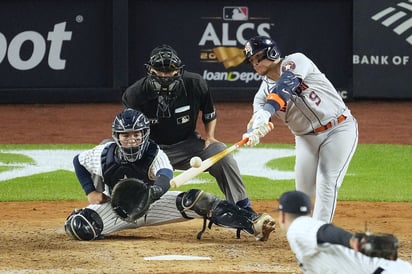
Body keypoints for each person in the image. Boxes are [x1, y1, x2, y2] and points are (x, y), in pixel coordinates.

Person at [64, 108, 276, 241]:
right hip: (117, 210)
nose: (131, 140)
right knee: (79, 226)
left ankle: (252, 222)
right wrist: (91, 191)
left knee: (198, 200)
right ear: (116, 137)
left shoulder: (155, 153)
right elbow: (78, 161)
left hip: (153, 206)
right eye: (125, 136)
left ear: (144, 135)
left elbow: (165, 176)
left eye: (136, 135)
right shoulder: (103, 154)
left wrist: (154, 191)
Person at [122, 44, 255, 212]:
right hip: (151, 150)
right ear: (150, 70)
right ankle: (119, 207)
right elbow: (130, 130)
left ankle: (242, 208)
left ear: (179, 70)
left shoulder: (195, 84)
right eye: (160, 71)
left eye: (170, 71)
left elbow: (209, 114)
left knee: (221, 153)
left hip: (188, 145)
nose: (165, 76)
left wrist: (210, 137)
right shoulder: (135, 93)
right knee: (114, 154)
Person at [242, 36, 359, 223]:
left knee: (327, 181)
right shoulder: (261, 95)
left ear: (272, 53)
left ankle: (320, 235)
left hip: (339, 128)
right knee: (303, 192)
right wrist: (252, 131)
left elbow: (285, 85)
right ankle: (300, 232)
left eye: (258, 57)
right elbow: (256, 119)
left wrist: (267, 110)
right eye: (251, 61)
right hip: (306, 139)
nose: (255, 63)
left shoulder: (296, 61)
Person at [276, 190, 412, 273]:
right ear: (311, 212)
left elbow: (325, 232)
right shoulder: (305, 239)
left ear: (282, 216)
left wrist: (351, 240)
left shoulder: (297, 227)